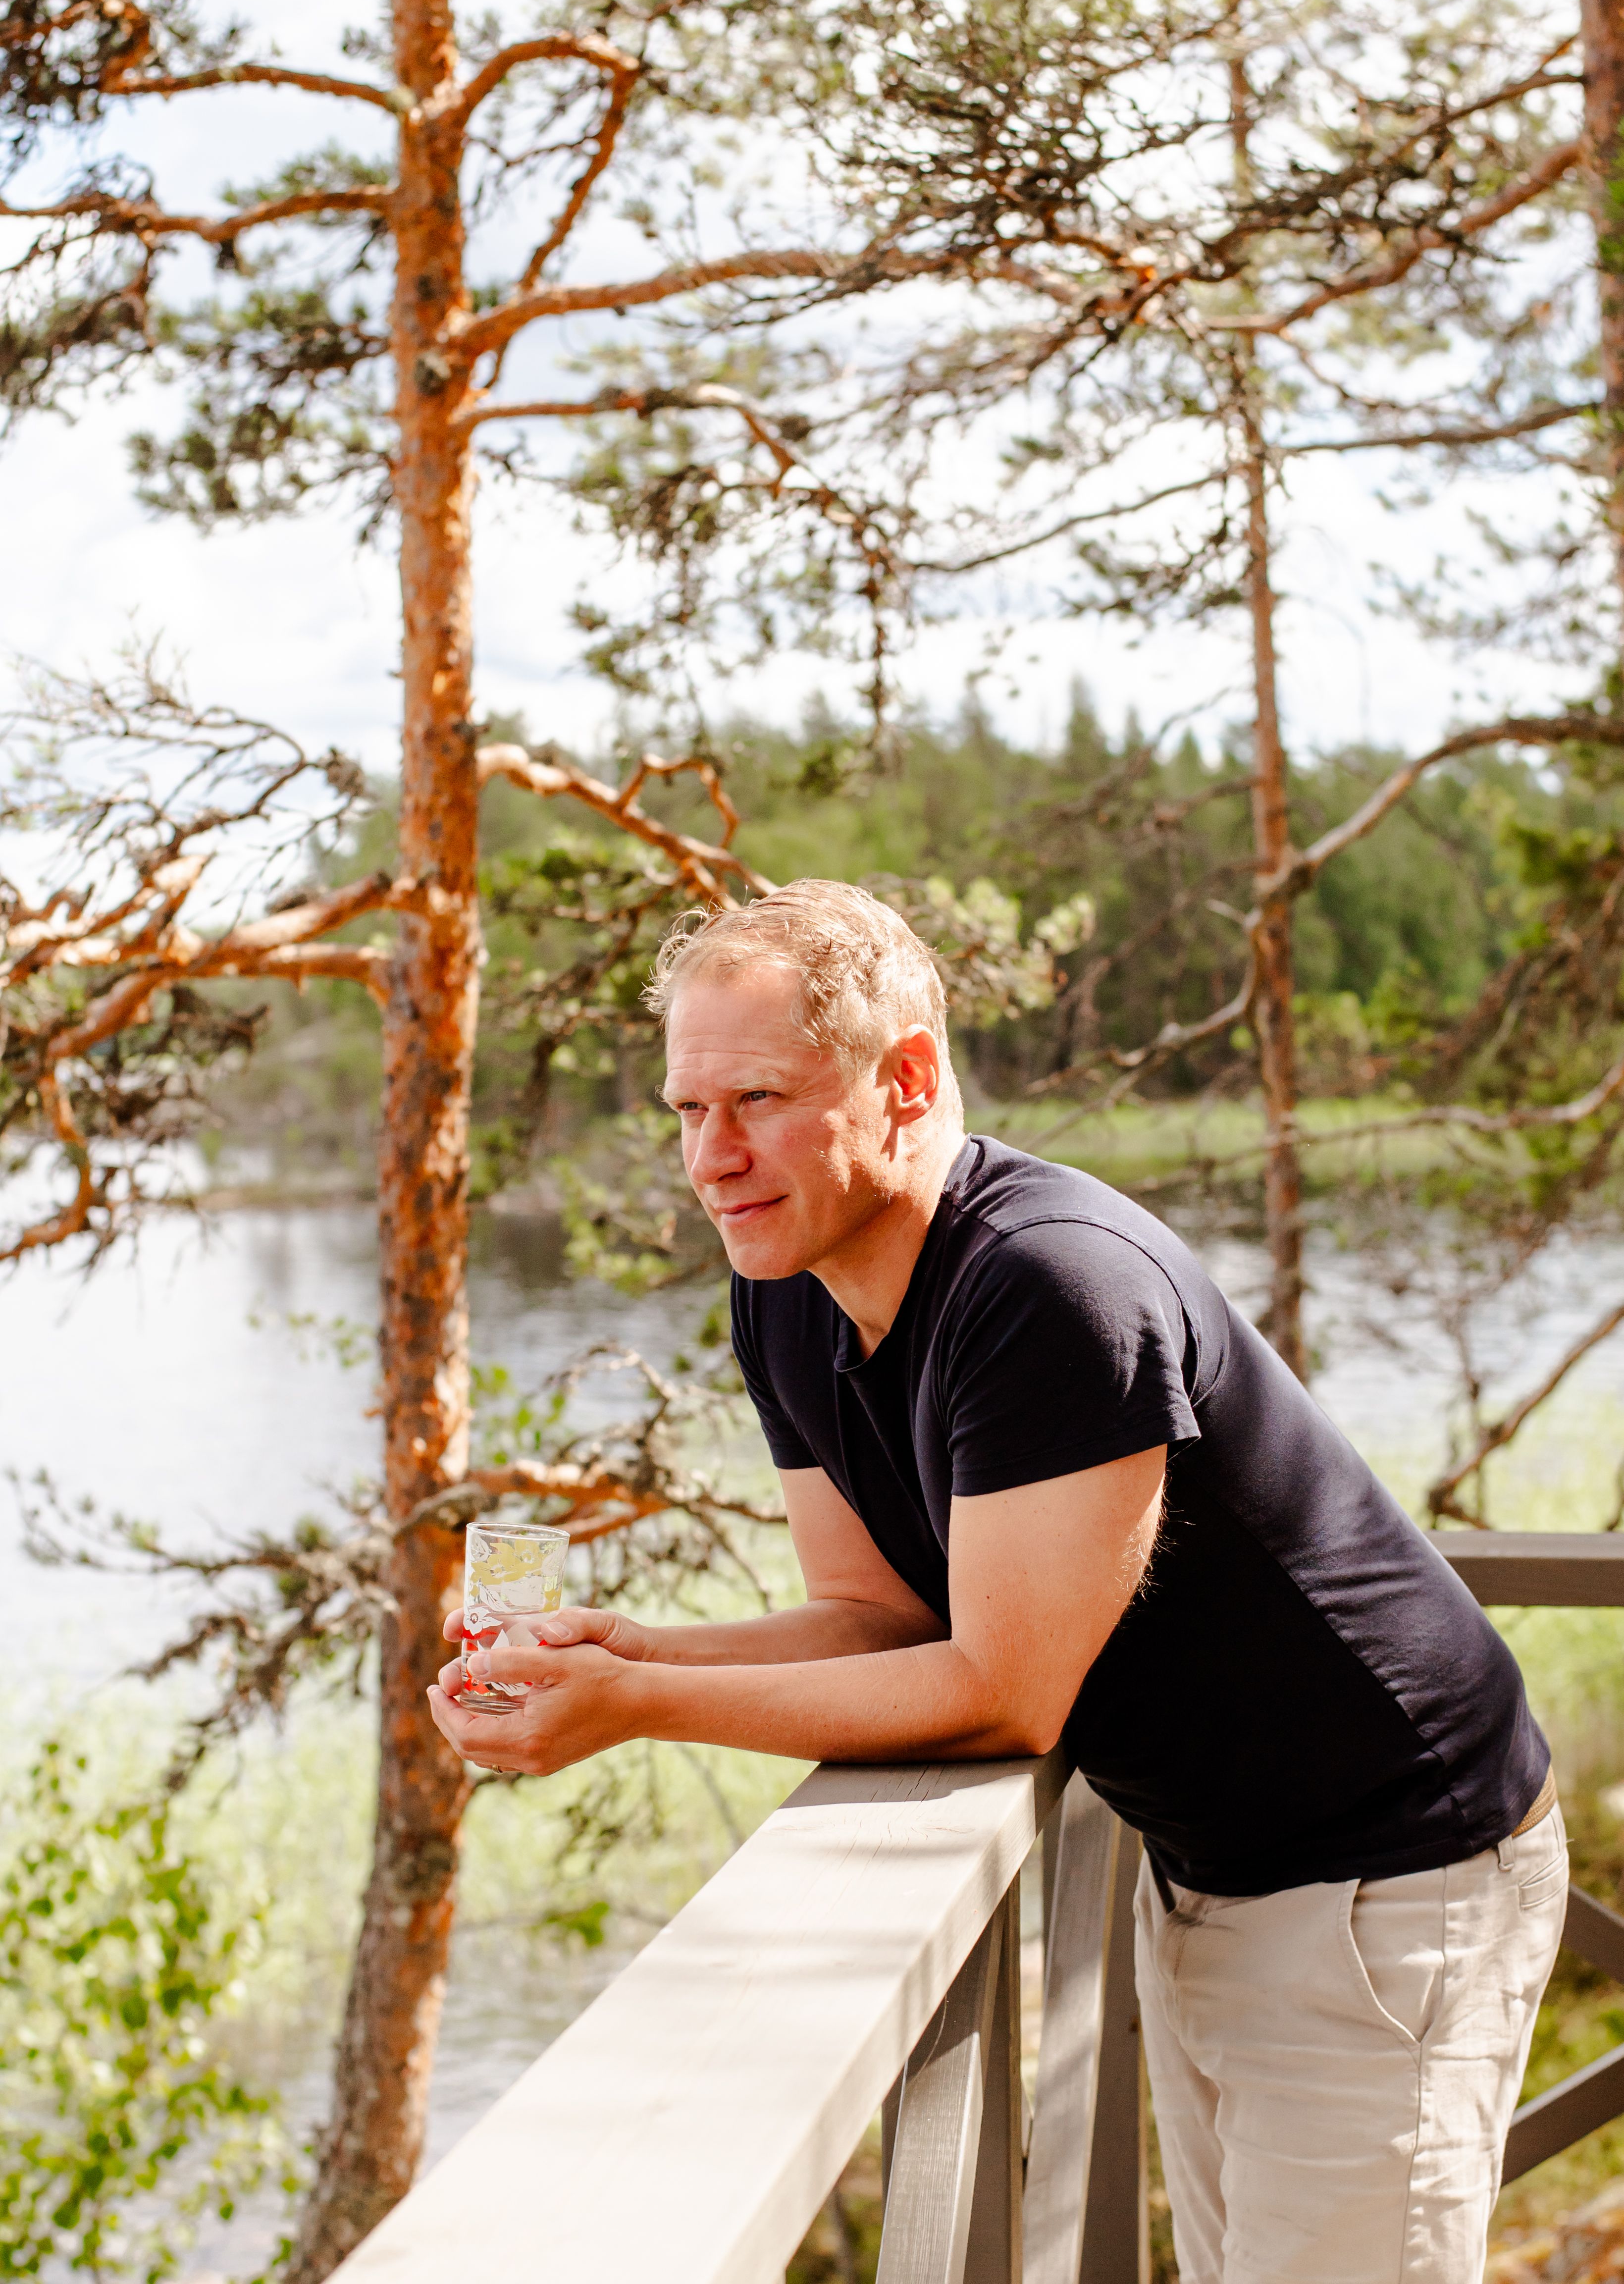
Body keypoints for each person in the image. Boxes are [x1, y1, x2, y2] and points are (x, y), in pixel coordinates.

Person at [428, 879, 1567, 2284]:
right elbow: (880, 1617)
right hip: (1212, 1870)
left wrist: (640, 1704)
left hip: (1389, 1881)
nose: (712, 1158)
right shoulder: (787, 1280)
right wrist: (638, 1648)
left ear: (905, 1079)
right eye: (686, 1111)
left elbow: (1004, 1694)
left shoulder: (1050, 1286)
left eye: (759, 1102)